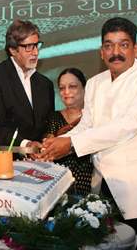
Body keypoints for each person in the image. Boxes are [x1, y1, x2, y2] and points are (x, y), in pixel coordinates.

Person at [39, 17, 137, 250]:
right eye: (109, 45)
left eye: (123, 44)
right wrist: (55, 144)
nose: (115, 52)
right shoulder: (95, 82)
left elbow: (128, 124)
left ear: (135, 48)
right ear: (101, 52)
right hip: (102, 189)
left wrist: (70, 143)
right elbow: (87, 124)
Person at [0, 19, 54, 160]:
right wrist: (27, 145)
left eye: (37, 45)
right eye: (29, 47)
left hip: (40, 164)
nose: (36, 52)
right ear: (13, 50)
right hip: (3, 163)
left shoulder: (45, 84)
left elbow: (47, 125)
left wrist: (48, 138)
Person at [43, 68, 93, 196]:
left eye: (72, 87)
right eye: (61, 88)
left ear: (84, 87)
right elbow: (47, 145)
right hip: (57, 188)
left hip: (90, 186)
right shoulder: (54, 117)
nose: (66, 92)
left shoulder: (95, 117)